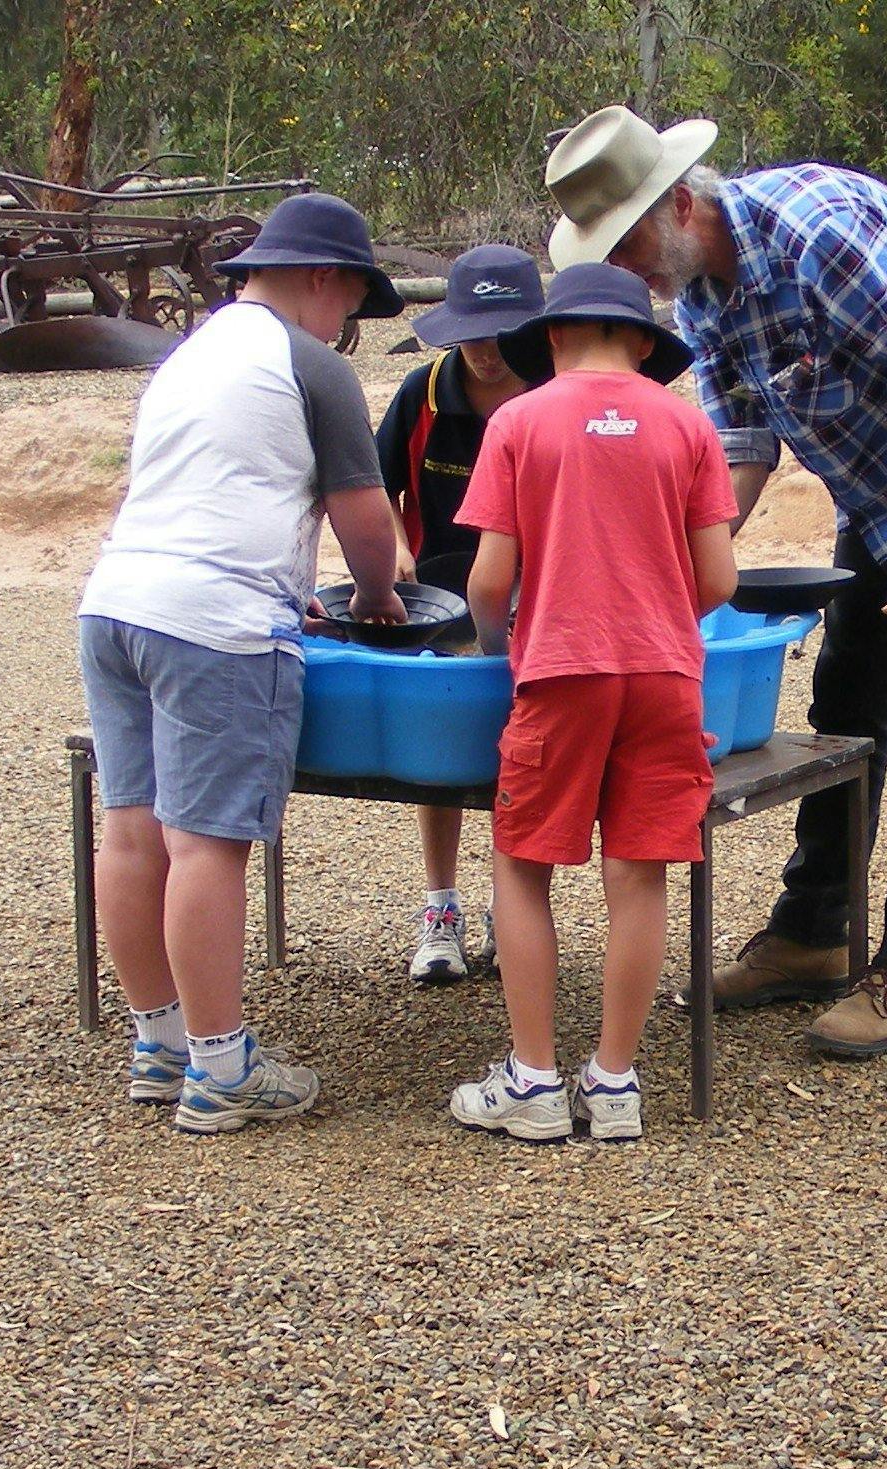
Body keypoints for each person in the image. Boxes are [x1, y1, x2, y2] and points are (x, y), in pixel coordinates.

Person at [543, 106, 887, 1058]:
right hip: (874, 476)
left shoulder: (823, 240)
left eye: (629, 247)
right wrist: (688, 555)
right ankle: (813, 935)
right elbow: (741, 446)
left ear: (684, 204)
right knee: (846, 695)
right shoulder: (699, 293)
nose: (628, 277)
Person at [77, 191, 407, 1133]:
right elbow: (363, 519)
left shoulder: (190, 355)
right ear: (322, 278)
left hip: (116, 604)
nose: (347, 325)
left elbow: (214, 490)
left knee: (132, 833)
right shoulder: (310, 365)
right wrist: (377, 597)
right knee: (206, 841)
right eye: (350, 302)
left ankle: (162, 1041)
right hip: (213, 626)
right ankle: (223, 1070)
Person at [446, 262, 738, 1142]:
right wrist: (646, 620)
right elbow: (719, 578)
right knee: (638, 870)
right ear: (644, 345)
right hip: (665, 677)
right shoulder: (687, 423)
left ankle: (533, 1081)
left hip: (561, 672)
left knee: (522, 861)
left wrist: (505, 645)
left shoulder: (518, 421)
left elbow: (489, 581)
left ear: (550, 339)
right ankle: (614, 1084)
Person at [374, 244, 544, 984]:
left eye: (500, 333)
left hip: (540, 605)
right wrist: (391, 552)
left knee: (526, 759)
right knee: (441, 761)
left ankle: (515, 916)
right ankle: (439, 908)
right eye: (471, 331)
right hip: (439, 604)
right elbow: (372, 481)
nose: (484, 349)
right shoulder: (423, 393)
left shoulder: (550, 395)